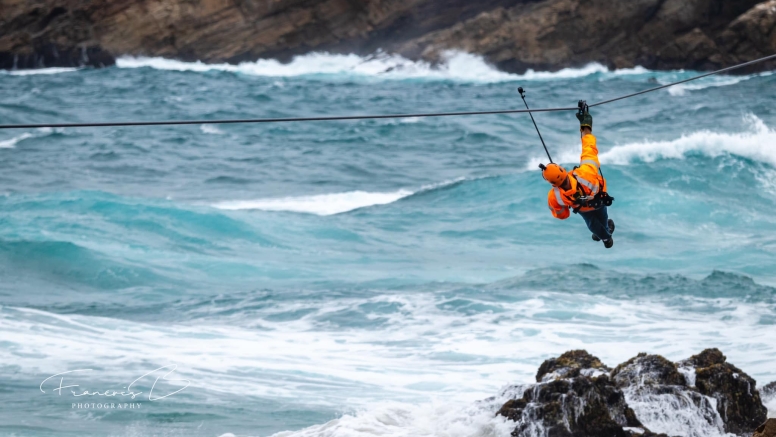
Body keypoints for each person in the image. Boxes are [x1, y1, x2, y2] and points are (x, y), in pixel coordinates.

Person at [540, 106, 615, 248]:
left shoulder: (554, 195)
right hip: (600, 202)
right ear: (563, 170)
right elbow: (589, 147)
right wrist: (585, 126)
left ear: (552, 183)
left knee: (593, 225)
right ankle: (607, 239)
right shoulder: (586, 172)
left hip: (584, 210)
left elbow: (563, 215)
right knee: (602, 221)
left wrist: (567, 207)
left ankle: (603, 235)